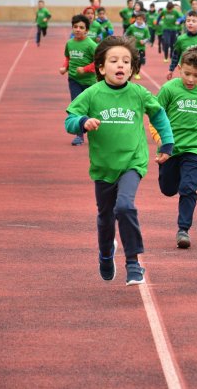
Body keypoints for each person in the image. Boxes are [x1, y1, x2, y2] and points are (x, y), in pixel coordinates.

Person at [65, 36, 174, 285]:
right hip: (103, 166)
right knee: (105, 217)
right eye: (114, 60)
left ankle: (133, 262)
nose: (120, 65)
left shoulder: (138, 93)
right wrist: (82, 122)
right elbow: (70, 119)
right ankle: (105, 254)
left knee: (124, 206)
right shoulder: (92, 94)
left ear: (133, 68)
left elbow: (159, 115)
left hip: (132, 162)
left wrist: (166, 142)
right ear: (102, 68)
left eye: (126, 61)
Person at [147, 47, 197, 249]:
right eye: (187, 74)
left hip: (194, 149)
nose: (191, 79)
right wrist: (159, 139)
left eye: (196, 75)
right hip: (170, 149)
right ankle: (172, 179)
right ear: (179, 69)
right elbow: (155, 117)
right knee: (168, 189)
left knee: (189, 189)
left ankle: (183, 230)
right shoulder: (169, 89)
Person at [59, 14, 97, 146]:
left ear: (87, 30)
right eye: (75, 27)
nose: (78, 29)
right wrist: (64, 67)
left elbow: (98, 62)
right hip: (74, 80)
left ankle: (96, 131)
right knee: (76, 106)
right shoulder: (69, 43)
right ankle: (79, 135)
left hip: (89, 82)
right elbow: (68, 58)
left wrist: (85, 69)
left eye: (81, 27)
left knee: (92, 108)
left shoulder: (91, 45)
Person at [167, 10, 197, 80]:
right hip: (186, 71)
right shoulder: (181, 39)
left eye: (193, 21)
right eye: (188, 21)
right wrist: (171, 69)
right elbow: (175, 56)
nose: (190, 23)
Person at [126, 12, 150, 80]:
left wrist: (144, 41)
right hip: (133, 47)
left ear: (143, 20)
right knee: (132, 60)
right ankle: (130, 71)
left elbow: (148, 37)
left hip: (141, 48)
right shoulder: (132, 27)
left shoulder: (145, 29)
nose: (139, 21)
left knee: (139, 61)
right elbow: (126, 34)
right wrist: (128, 40)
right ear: (135, 19)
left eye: (140, 19)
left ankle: (137, 73)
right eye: (137, 19)